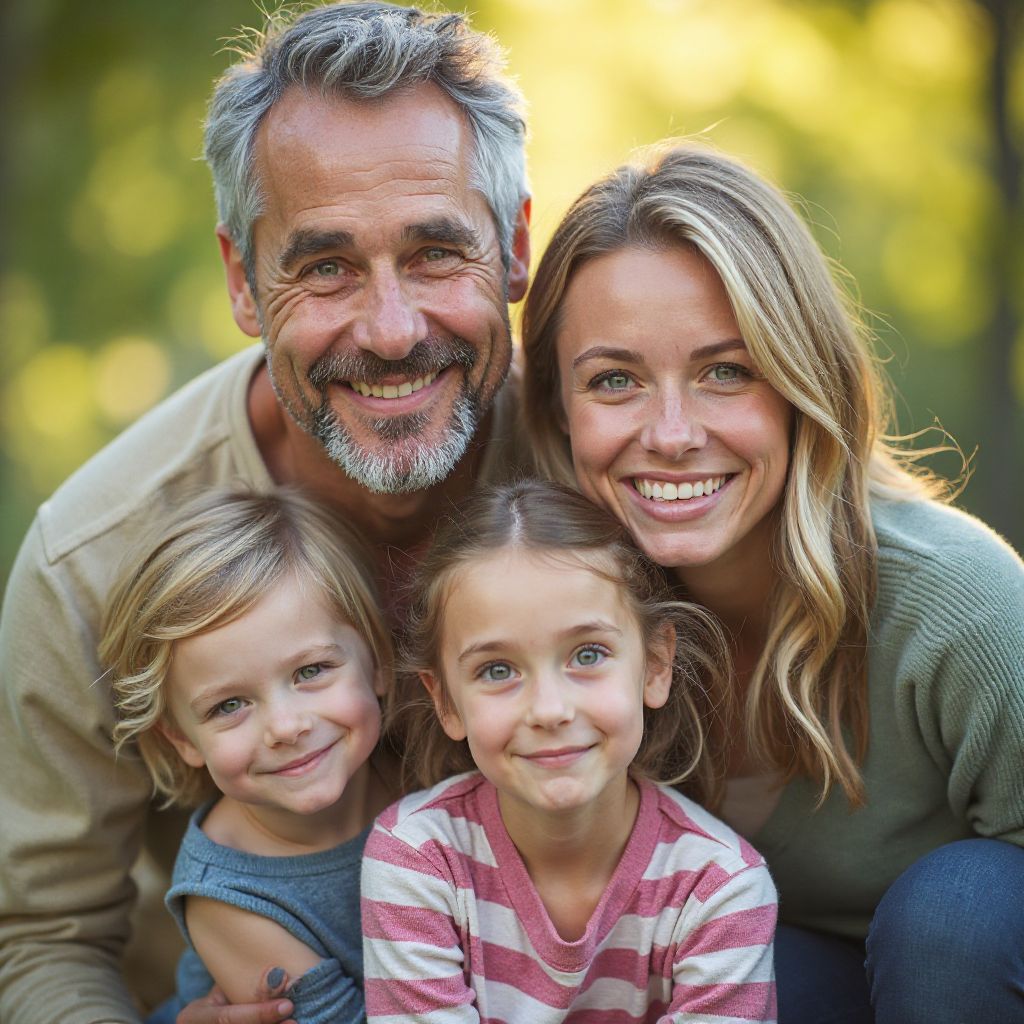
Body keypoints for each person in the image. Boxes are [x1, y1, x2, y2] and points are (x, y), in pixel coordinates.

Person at [0, 3, 532, 1023]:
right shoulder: (93, 559)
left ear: (511, 248)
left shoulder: (611, 449)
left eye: (433, 254)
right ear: (244, 280)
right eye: (325, 265)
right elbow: (46, 940)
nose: (389, 331)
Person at [520, 143, 1024, 1022]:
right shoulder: (547, 618)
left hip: (967, 981)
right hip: (791, 990)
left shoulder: (960, 605)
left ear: (800, 381)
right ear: (559, 414)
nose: (671, 433)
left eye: (727, 371)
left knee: (957, 914)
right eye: (615, 380)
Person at [361, 479, 778, 1023]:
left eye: (587, 654)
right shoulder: (416, 860)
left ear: (655, 665)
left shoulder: (721, 891)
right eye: (497, 670)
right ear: (446, 701)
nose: (549, 710)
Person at [100, 489, 396, 1023]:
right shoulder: (228, 897)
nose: (285, 727)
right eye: (229, 705)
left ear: (378, 661)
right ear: (183, 740)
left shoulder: (424, 773)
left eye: (311, 671)